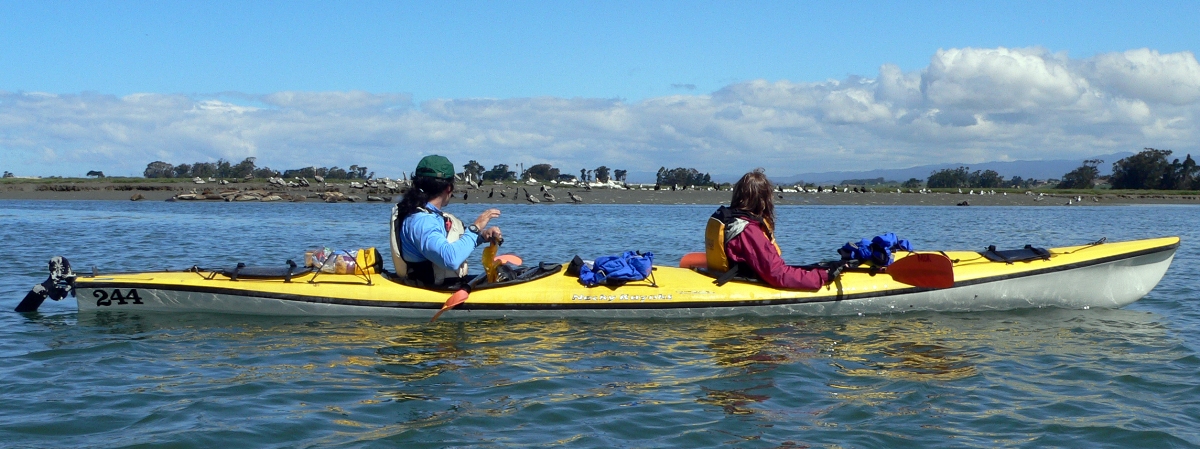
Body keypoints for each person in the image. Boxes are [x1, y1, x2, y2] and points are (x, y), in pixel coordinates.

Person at [704, 169, 840, 289]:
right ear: (763, 201)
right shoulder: (748, 230)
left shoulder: (731, 221)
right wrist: (821, 276)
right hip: (742, 283)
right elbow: (777, 273)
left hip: (725, 275)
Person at [389, 155, 502, 287]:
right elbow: (450, 259)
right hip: (431, 290)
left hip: (445, 285)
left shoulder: (425, 214)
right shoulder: (422, 221)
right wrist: (474, 228)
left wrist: (481, 236)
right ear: (448, 188)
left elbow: (446, 246)